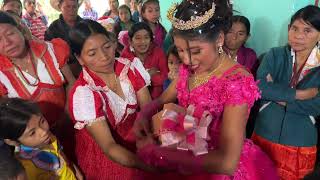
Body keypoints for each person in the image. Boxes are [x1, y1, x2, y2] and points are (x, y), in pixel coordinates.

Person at [133, 0, 279, 179]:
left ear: (219, 39)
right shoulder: (189, 69)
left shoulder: (236, 81)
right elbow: (164, 98)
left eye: (196, 51)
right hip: (186, 148)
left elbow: (227, 163)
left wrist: (163, 154)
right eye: (180, 50)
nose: (187, 60)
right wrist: (144, 113)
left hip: (214, 164)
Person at [68, 19, 153, 179]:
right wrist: (146, 166)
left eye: (107, 47)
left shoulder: (129, 67)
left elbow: (147, 108)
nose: (105, 57)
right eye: (92, 53)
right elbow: (109, 146)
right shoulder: (85, 93)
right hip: (107, 151)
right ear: (80, 59)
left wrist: (150, 135)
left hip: (135, 136)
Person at [252, 5, 320, 180]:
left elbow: (316, 106)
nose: (298, 35)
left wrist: (276, 93)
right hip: (264, 134)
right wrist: (300, 95)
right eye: (294, 28)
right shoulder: (274, 55)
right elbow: (260, 88)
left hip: (300, 142)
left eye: (307, 30)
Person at [0, 11, 76, 161]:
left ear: (21, 30)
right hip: (36, 145)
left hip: (71, 123)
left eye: (10, 34)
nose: (6, 43)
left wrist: (67, 116)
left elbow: (71, 83)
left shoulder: (52, 50)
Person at [0, 98, 82, 180]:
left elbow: (60, 153)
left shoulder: (48, 137)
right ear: (12, 141)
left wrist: (73, 168)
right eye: (32, 133)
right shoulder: (26, 169)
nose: (43, 131)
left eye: (42, 121)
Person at [121, 22, 168, 99]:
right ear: (130, 41)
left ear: (151, 40)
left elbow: (165, 77)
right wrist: (147, 75)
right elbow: (126, 84)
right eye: (138, 38)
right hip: (135, 102)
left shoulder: (158, 52)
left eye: (146, 37)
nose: (143, 42)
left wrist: (139, 79)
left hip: (159, 100)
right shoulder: (125, 56)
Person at [45, 0, 83, 77]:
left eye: (74, 7)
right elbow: (49, 53)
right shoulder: (53, 29)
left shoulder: (85, 25)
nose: (71, 10)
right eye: (67, 7)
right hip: (66, 72)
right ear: (60, 7)